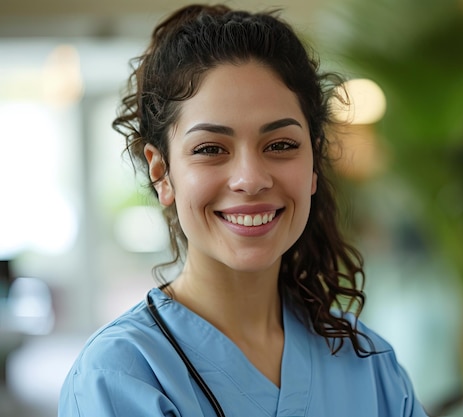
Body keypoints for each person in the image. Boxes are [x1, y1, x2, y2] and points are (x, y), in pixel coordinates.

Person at [58, 4, 429, 416]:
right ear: (162, 172)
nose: (250, 179)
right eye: (211, 149)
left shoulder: (368, 364)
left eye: (280, 145)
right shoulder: (122, 376)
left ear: (313, 164)